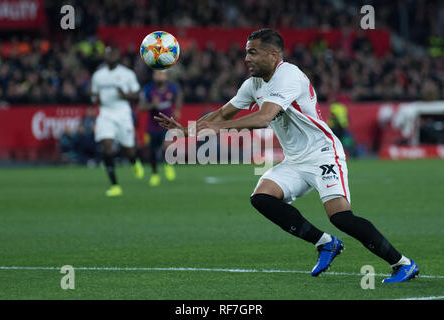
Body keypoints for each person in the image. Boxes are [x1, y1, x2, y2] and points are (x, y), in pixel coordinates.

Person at [155, 29, 419, 283]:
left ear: (273, 55)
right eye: (247, 53)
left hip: (322, 153)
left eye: (253, 53)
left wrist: (215, 128)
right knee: (262, 198)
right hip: (295, 159)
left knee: (341, 217)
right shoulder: (253, 84)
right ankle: (325, 243)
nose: (247, 58)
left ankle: (402, 263)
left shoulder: (289, 75)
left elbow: (263, 117)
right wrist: (189, 129)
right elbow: (223, 114)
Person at [91, 46, 144, 197]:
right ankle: (115, 185)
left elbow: (137, 94)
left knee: (128, 149)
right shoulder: (98, 76)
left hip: (122, 113)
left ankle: (134, 162)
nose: (111, 55)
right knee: (106, 146)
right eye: (108, 53)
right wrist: (96, 100)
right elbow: (94, 96)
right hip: (106, 113)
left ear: (118, 56)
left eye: (113, 53)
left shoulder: (127, 74)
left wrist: (126, 95)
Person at [140, 70, 182, 187]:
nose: (159, 76)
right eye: (157, 74)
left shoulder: (171, 88)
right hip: (152, 125)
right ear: (153, 76)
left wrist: (177, 109)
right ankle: (155, 174)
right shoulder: (148, 89)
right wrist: (152, 105)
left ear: (166, 76)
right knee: (152, 151)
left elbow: (179, 96)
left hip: (167, 123)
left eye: (161, 74)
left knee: (167, 145)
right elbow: (141, 107)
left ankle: (168, 165)